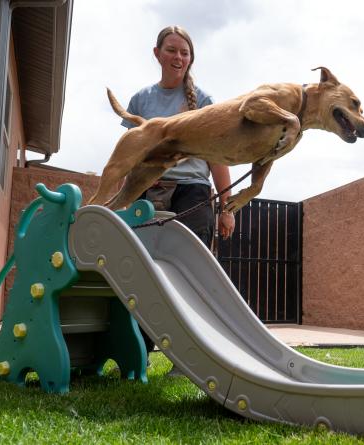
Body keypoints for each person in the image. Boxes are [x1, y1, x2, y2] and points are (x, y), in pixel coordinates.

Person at [121, 25, 236, 367]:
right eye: (171, 50)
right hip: (150, 191)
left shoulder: (204, 101)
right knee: (144, 271)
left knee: (191, 272)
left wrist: (226, 208)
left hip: (193, 193)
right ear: (156, 53)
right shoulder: (141, 100)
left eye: (184, 52)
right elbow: (131, 156)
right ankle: (138, 352)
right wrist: (125, 199)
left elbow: (218, 157)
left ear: (191, 58)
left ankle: (190, 358)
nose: (178, 57)